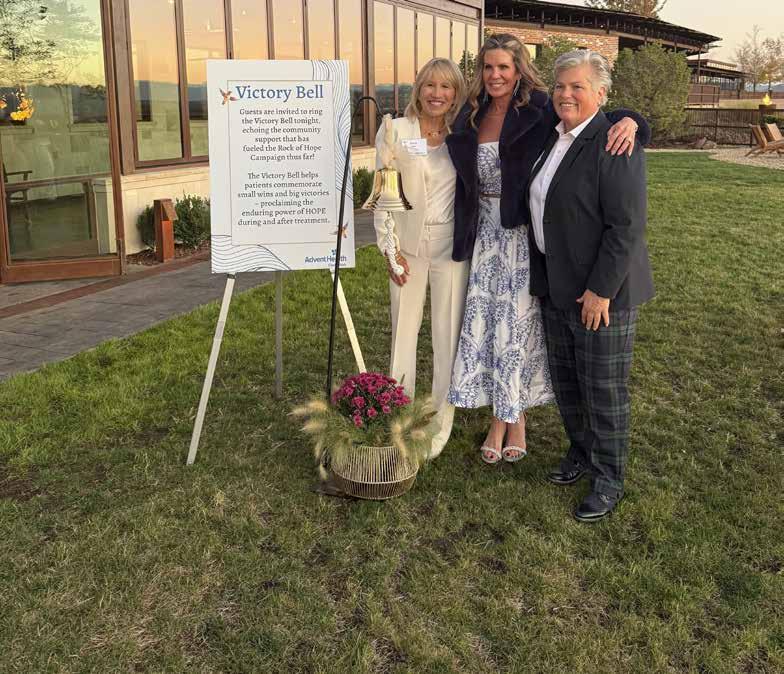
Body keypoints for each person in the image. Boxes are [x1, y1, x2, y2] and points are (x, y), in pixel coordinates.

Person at [446, 34, 648, 465]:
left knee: (516, 331)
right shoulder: (471, 112)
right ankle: (501, 417)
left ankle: (513, 419)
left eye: (504, 66)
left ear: (519, 69)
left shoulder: (539, 107)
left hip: (522, 238)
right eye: (488, 67)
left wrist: (633, 120)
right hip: (483, 239)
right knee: (488, 328)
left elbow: (592, 112)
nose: (495, 75)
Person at [526, 49, 654, 521]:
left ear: (600, 94)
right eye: (560, 85)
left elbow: (625, 227)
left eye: (577, 86)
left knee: (602, 390)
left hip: (602, 294)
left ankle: (608, 478)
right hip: (557, 285)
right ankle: (580, 452)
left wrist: (601, 291)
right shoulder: (554, 133)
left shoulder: (615, 142)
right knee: (568, 383)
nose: (566, 94)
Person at [372, 58, 468, 459]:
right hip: (407, 246)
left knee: (447, 335)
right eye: (430, 85)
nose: (436, 94)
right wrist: (390, 248)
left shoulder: (464, 132)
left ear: (456, 93)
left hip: (451, 245)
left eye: (446, 86)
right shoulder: (395, 129)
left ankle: (438, 424)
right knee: (403, 331)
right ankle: (399, 416)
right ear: (419, 88)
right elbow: (384, 193)